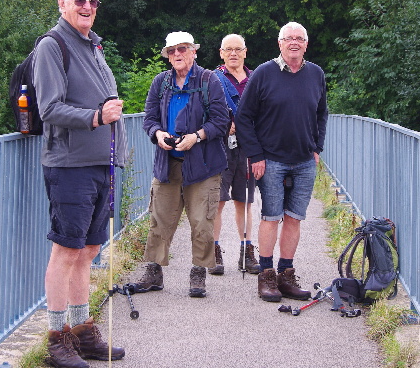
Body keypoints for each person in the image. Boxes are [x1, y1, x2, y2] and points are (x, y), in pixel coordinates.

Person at [34, 0, 127, 368]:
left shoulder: (93, 46)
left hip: (99, 163)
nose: (88, 7)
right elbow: (49, 108)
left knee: (88, 249)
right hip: (69, 164)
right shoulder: (53, 46)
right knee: (66, 250)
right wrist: (96, 117)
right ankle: (57, 338)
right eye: (80, 1)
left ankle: (81, 328)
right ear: (62, 4)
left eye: (93, 1)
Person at [234, 22, 328, 303]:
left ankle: (286, 275)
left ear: (306, 44)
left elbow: (322, 113)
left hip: (303, 160)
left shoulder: (315, 74)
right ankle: (267, 275)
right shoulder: (264, 73)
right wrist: (256, 155)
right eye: (289, 39)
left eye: (299, 39)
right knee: (271, 216)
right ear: (280, 43)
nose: (294, 43)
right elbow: (244, 117)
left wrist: (317, 147)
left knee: (294, 217)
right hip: (271, 160)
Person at [133, 31, 229, 298]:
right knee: (159, 218)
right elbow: (149, 119)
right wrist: (157, 134)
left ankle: (198, 272)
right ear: (167, 55)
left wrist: (196, 137)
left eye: (182, 49)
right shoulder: (160, 82)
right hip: (168, 163)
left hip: (204, 164)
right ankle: (153, 272)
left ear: (193, 52)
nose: (177, 54)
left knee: (202, 221)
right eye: (172, 51)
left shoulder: (210, 81)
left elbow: (221, 121)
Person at [208, 34, 261, 276]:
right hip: (219, 147)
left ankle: (247, 252)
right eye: (228, 49)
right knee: (217, 202)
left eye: (237, 49)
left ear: (245, 52)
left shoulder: (255, 80)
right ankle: (214, 252)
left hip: (247, 147)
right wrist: (223, 124)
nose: (233, 54)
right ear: (221, 53)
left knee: (245, 201)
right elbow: (203, 112)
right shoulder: (211, 79)